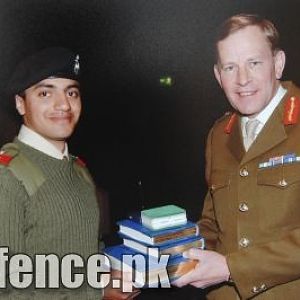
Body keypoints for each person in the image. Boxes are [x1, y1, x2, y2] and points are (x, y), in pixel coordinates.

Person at [173, 14, 300, 299]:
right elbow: (212, 223)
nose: (242, 79)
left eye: (254, 63)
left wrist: (233, 267)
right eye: (230, 67)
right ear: (218, 76)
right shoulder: (219, 135)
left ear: (278, 63)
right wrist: (172, 254)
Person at [0, 47, 139, 299]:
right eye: (45, 93)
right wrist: (96, 292)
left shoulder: (78, 170)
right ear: (21, 104)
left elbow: (87, 252)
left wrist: (110, 274)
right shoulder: (7, 176)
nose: (64, 104)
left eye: (71, 92)